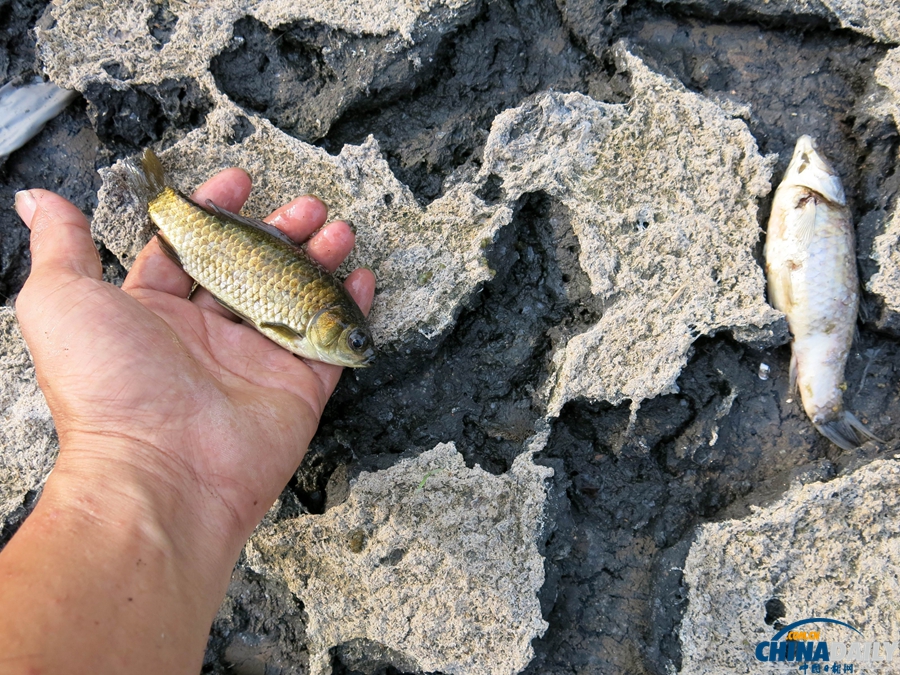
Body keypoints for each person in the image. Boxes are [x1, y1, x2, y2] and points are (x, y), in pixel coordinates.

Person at [0, 167, 375, 674]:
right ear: (332, 324)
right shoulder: (303, 327)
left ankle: (163, 199)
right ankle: (161, 199)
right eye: (355, 339)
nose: (360, 350)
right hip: (214, 248)